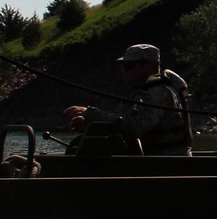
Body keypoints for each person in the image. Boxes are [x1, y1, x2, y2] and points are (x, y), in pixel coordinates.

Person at [63, 43, 192, 156]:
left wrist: (90, 114)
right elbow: (119, 120)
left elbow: (131, 127)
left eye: (129, 66)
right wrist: (90, 125)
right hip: (151, 164)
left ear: (148, 66)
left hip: (167, 168)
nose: (124, 71)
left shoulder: (160, 93)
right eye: (123, 66)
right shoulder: (143, 94)